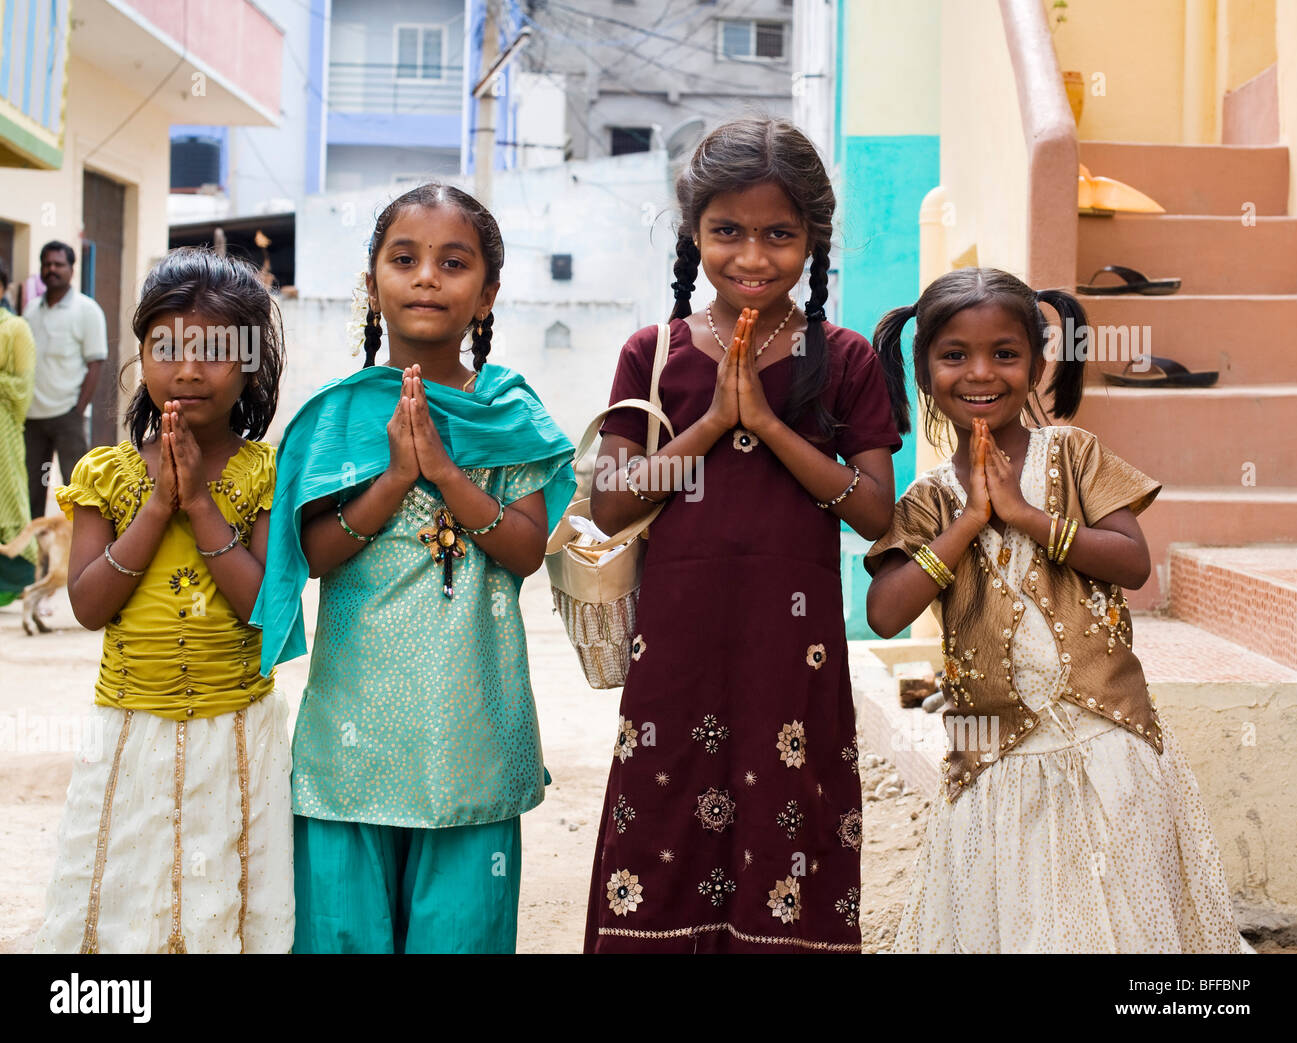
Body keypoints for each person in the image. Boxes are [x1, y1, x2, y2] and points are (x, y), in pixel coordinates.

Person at [582, 117, 904, 953]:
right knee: (662, 818)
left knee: (790, 816)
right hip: (676, 646)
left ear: (812, 240)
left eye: (778, 234)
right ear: (695, 232)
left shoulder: (844, 360)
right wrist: (714, 422)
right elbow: (610, 505)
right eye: (728, 231)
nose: (753, 257)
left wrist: (771, 425)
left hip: (793, 651)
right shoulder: (652, 353)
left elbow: (875, 512)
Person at [865, 267, 1246, 953]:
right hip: (991, 756)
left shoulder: (1071, 453)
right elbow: (886, 611)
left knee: (1119, 915)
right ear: (922, 370)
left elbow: (1133, 563)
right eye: (954, 355)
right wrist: (967, 523)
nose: (980, 373)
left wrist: (1024, 515)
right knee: (1018, 916)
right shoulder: (926, 499)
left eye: (1005, 354)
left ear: (1039, 363)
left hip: (1108, 736)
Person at [251, 183, 575, 954]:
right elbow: (315, 556)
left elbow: (527, 548)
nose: (427, 276)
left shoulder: (510, 412)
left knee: (459, 935)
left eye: (453, 262)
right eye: (405, 259)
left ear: (487, 292)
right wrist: (395, 478)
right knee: (340, 933)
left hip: (470, 735)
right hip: (350, 744)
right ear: (372, 284)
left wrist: (446, 472)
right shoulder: (338, 414)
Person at [34, 248, 292, 953]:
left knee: (223, 904)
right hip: (131, 727)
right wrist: (158, 508)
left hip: (235, 728)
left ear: (249, 365)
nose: (186, 368)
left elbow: (265, 608)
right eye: (166, 346)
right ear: (140, 353)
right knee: (124, 896)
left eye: (213, 351)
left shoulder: (268, 473)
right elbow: (88, 605)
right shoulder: (107, 473)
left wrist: (202, 506)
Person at [23, 241, 107, 521]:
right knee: (31, 487)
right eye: (47, 264)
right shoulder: (31, 310)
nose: (52, 269)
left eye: (59, 264)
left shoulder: (87, 310)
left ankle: (81, 547)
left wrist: (78, 410)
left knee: (78, 487)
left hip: (67, 414)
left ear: (72, 269)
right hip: (32, 415)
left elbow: (95, 363)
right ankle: (33, 554)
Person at [0, 261, 37, 605]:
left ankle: (14, 583)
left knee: (7, 498)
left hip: (3, 430)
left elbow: (22, 387)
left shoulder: (15, 329)